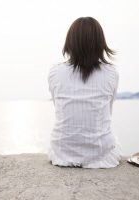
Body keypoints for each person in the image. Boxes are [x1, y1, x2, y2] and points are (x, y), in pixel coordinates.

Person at [47, 17, 122, 168]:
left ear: (70, 42)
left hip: (61, 153)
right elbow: (109, 110)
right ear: (100, 43)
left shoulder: (55, 72)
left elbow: (59, 107)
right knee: (114, 141)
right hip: (101, 156)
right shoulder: (111, 73)